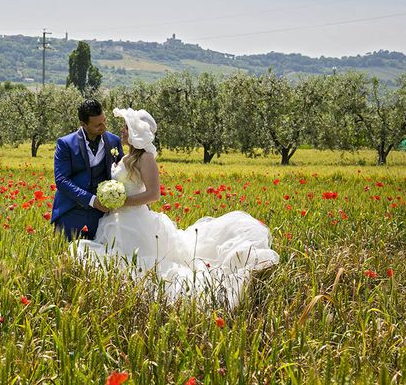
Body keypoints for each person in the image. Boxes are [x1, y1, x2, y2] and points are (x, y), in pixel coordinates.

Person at [75, 107, 279, 309]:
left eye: (126, 128)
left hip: (135, 220)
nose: (122, 131)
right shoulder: (126, 157)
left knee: (141, 265)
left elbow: (153, 194)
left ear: (137, 133)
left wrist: (122, 201)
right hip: (116, 220)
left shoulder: (145, 159)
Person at [51, 99, 124, 241]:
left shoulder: (114, 141)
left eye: (104, 121)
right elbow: (61, 180)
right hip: (71, 212)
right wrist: (91, 200)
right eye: (98, 125)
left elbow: (121, 172)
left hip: (102, 216)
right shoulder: (65, 144)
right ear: (83, 124)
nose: (103, 127)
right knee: (66, 257)